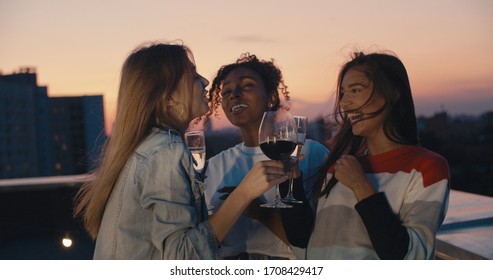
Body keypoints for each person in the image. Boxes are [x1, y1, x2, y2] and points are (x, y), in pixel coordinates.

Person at [73, 42, 289, 260]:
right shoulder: (165, 152)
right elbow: (181, 258)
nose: (205, 81)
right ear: (169, 97)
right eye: (193, 76)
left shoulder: (148, 148)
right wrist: (243, 194)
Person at [284, 51, 450, 259]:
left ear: (394, 92)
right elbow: (304, 248)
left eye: (355, 90)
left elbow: (412, 258)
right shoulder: (341, 167)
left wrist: (361, 186)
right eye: (343, 93)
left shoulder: (427, 167)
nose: (344, 103)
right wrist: (290, 183)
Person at [204, 53, 329, 259]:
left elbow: (324, 237)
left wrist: (259, 210)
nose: (234, 94)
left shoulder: (310, 153)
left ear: (271, 96)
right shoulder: (214, 167)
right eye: (226, 91)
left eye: (246, 86)